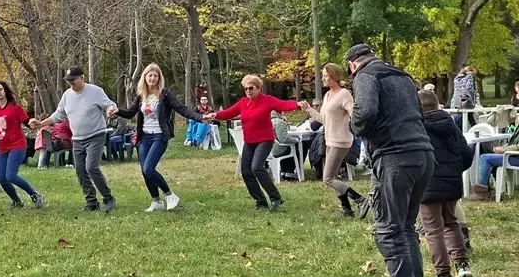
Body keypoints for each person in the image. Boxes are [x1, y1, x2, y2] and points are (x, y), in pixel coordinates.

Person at [345, 44, 434, 277]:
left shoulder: (365, 75)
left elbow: (366, 112)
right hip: (423, 154)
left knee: (388, 229)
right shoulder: (403, 75)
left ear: (352, 65)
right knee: (407, 228)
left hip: (395, 157)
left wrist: (353, 127)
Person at [116, 63, 204, 211]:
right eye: (150, 75)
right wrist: (116, 110)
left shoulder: (165, 94)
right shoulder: (141, 96)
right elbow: (130, 113)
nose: (152, 78)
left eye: (155, 76)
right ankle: (156, 202)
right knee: (145, 171)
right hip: (144, 137)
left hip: (159, 136)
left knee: (149, 168)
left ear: (159, 78)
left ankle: (170, 195)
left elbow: (181, 108)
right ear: (145, 77)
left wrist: (200, 117)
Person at [205, 74, 299, 211]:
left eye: (251, 88)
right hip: (250, 140)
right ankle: (260, 201)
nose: (248, 91)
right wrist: (215, 115)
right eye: (246, 89)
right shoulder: (243, 102)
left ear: (258, 88)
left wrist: (298, 105)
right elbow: (229, 113)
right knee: (246, 171)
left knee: (257, 167)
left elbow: (283, 104)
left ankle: (275, 197)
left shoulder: (267, 100)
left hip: (265, 139)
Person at [30, 66, 118, 212]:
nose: (71, 83)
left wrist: (110, 109)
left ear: (82, 78)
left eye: (73, 79)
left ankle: (108, 198)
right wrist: (41, 123)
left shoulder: (95, 91)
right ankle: (91, 203)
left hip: (96, 135)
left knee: (91, 167)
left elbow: (109, 104)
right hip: (77, 139)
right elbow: (58, 115)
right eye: (68, 80)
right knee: (80, 171)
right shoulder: (67, 96)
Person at [417, 90, 474, 277]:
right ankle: (462, 265)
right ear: (437, 105)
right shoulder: (450, 124)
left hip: (428, 184)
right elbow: (467, 153)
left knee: (433, 230)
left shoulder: (419, 127)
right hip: (452, 183)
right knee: (451, 223)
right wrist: (454, 171)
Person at [299, 63, 370, 218]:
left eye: (325, 75)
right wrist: (308, 109)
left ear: (334, 76)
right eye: (323, 75)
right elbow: (324, 119)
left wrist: (359, 126)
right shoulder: (327, 95)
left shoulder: (344, 94)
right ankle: (347, 210)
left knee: (328, 179)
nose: (323, 78)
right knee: (333, 176)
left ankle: (361, 200)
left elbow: (354, 114)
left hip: (341, 141)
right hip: (329, 140)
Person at [0, 82, 45, 208]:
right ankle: (17, 201)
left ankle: (35, 195)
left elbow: (27, 122)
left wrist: (33, 122)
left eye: (0, 89)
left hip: (17, 145)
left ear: (5, 90)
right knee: (2, 178)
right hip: (3, 148)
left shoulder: (15, 107)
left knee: (11, 175)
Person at [469, 125, 519, 200]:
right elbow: (513, 144)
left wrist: (503, 149)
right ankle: (486, 188)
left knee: (485, 158)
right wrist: (503, 148)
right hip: (512, 155)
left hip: (515, 157)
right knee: (485, 149)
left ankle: (482, 192)